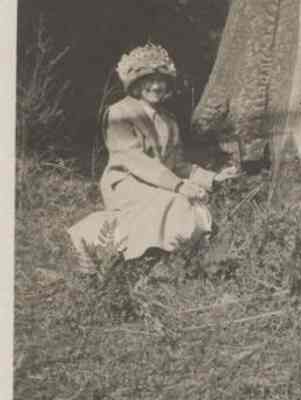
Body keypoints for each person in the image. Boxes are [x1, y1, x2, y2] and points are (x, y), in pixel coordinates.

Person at [68, 43, 238, 270]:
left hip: (161, 183)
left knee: (194, 203)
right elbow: (134, 160)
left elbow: (178, 164)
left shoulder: (169, 120)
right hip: (126, 183)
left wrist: (212, 179)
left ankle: (169, 259)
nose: (156, 86)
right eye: (149, 80)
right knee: (175, 201)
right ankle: (105, 247)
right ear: (136, 84)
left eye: (161, 81)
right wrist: (178, 186)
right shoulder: (119, 112)